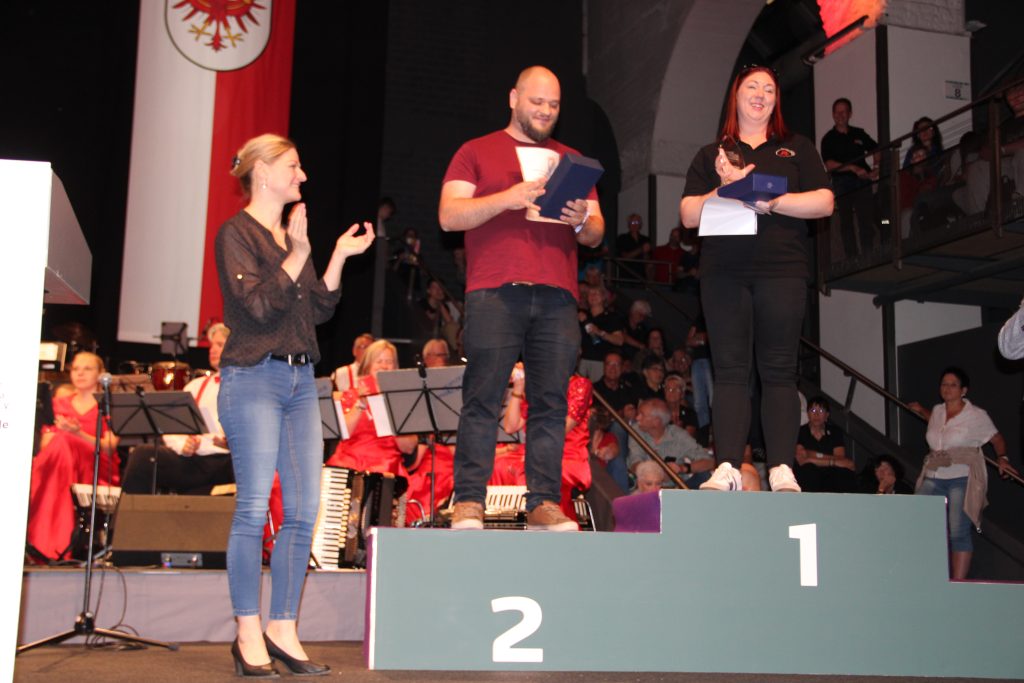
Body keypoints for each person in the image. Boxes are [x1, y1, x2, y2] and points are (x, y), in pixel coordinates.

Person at [215, 133, 374, 676]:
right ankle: (247, 631)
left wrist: (336, 257)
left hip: (301, 381)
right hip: (253, 378)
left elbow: (319, 310)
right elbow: (257, 309)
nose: (303, 176)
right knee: (254, 507)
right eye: (293, 166)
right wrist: (300, 254)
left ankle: (282, 627)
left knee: (304, 510)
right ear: (262, 173)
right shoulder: (236, 234)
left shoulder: (290, 238)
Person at [438, 65, 604, 531]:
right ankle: (469, 501)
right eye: (537, 102)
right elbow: (449, 216)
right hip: (495, 289)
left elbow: (596, 232)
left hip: (557, 295)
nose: (546, 111)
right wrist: (507, 198)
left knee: (550, 403)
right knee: (483, 397)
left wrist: (579, 218)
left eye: (554, 105)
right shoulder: (476, 151)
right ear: (513, 98)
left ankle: (544, 501)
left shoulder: (573, 160)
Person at [679, 64, 834, 493]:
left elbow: (824, 202)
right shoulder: (712, 155)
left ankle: (781, 467)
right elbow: (688, 214)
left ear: (775, 100)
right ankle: (727, 466)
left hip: (782, 269)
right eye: (752, 86)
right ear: (736, 95)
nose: (761, 94)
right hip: (724, 272)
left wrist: (772, 201)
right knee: (730, 370)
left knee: (779, 370)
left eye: (769, 89)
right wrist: (727, 187)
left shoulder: (796, 148)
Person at [907, 367, 1017, 580]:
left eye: (953, 385)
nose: (947, 388)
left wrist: (1002, 458)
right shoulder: (938, 410)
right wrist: (921, 410)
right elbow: (938, 426)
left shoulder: (976, 415)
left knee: (958, 530)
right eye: (944, 384)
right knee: (916, 518)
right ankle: (923, 572)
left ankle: (958, 583)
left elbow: (996, 438)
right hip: (934, 474)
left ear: (963, 390)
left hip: (961, 477)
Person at [26, 351, 120, 561]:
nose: (80, 373)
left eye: (87, 369)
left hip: (96, 464)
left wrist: (77, 434)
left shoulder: (109, 405)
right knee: (60, 445)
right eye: (76, 369)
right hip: (59, 464)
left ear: (100, 373)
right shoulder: (59, 403)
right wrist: (63, 435)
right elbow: (45, 444)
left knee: (63, 443)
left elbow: (109, 447)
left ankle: (48, 543)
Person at [121, 323, 235, 494]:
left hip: (225, 461)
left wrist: (231, 443)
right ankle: (131, 511)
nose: (213, 350)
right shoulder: (195, 386)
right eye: (212, 345)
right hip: (193, 461)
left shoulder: (247, 387)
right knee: (143, 456)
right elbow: (172, 426)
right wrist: (183, 445)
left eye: (220, 345)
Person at [502, 368, 593, 528]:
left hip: (567, 454)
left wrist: (534, 455)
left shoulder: (579, 384)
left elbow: (561, 429)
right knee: (498, 466)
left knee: (528, 471)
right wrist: (519, 388)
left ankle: (547, 521)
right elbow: (510, 426)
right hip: (534, 450)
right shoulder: (537, 386)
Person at [328, 339, 420, 477]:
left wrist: (390, 411)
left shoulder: (401, 400)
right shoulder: (350, 396)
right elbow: (342, 433)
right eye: (379, 361)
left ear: (395, 367)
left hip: (386, 469)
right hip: (348, 466)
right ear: (368, 365)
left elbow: (408, 448)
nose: (384, 366)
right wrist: (360, 404)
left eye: (389, 362)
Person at [820, 97, 878, 256]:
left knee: (865, 218)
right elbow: (829, 164)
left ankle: (868, 255)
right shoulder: (828, 139)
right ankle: (852, 259)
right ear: (833, 114)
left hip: (862, 180)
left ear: (850, 114)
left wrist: (876, 167)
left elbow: (876, 149)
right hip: (842, 181)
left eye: (843, 112)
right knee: (846, 222)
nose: (840, 115)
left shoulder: (858, 133)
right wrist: (852, 168)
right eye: (837, 112)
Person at [627, 398, 714, 488]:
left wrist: (682, 468)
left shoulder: (678, 435)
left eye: (642, 415)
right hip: (647, 487)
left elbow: (709, 462)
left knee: (705, 476)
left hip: (677, 488)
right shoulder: (636, 430)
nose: (637, 418)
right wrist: (659, 473)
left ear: (656, 421)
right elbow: (635, 462)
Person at [792, 395, 856, 493]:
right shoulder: (801, 432)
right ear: (808, 414)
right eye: (813, 410)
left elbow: (840, 458)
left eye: (821, 411)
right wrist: (831, 461)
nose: (816, 414)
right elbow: (801, 459)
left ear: (827, 415)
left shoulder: (835, 432)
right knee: (808, 470)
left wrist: (811, 456)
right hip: (808, 475)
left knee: (844, 474)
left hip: (830, 473)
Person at [578, 286, 624, 380]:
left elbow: (619, 341)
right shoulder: (582, 315)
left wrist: (600, 332)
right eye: (590, 293)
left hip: (600, 361)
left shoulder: (612, 317)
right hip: (582, 360)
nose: (593, 296)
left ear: (603, 297)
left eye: (596, 293)